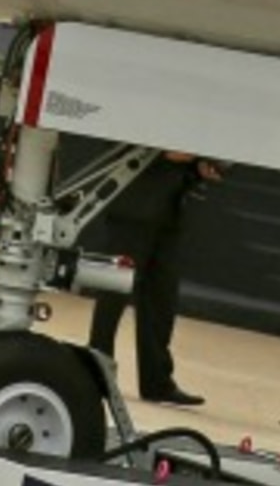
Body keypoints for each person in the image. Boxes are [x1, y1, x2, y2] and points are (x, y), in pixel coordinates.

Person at [87, 151, 220, 405]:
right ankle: (97, 371)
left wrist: (198, 166)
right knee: (114, 294)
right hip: (135, 206)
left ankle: (157, 382)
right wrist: (185, 156)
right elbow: (169, 151)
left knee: (162, 298)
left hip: (169, 211)